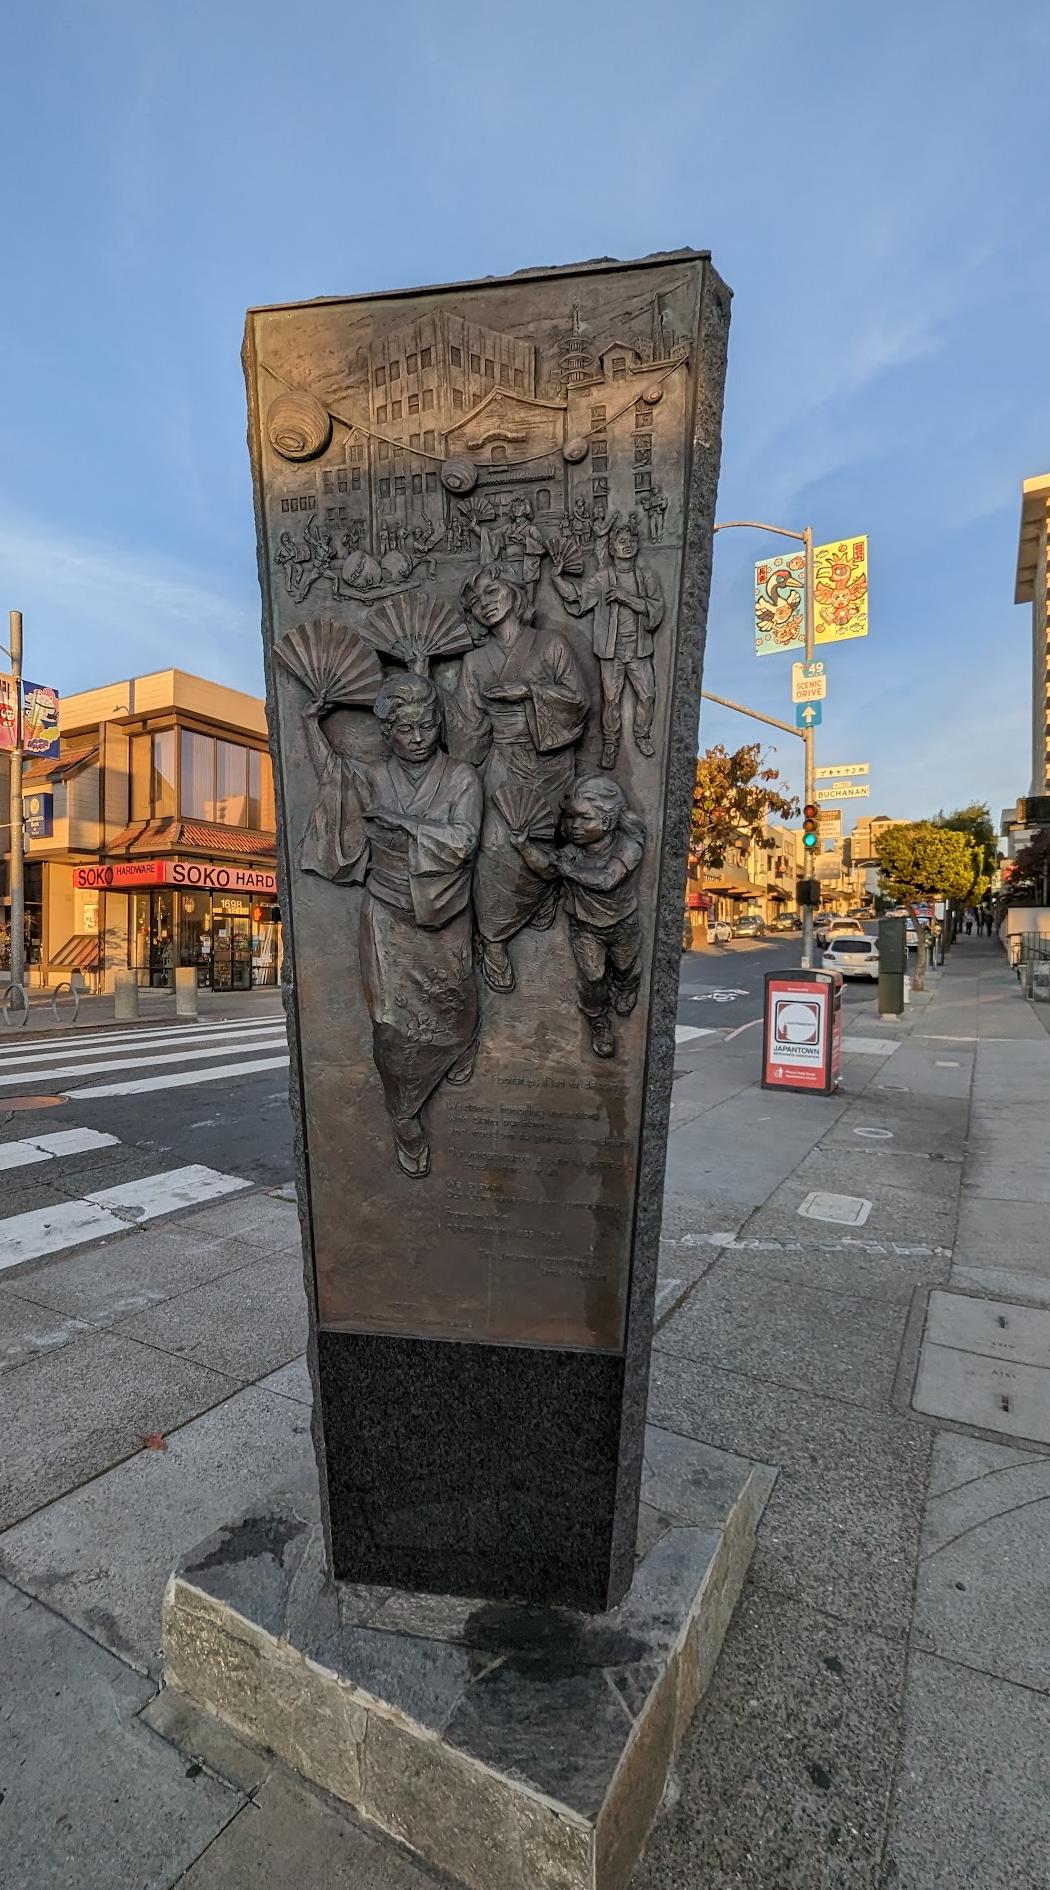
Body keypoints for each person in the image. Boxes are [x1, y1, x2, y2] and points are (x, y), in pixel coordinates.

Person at [299, 671, 482, 1180]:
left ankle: (458, 1046)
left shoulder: (462, 778)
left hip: (443, 907)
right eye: (406, 730)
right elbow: (333, 779)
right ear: (389, 733)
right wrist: (311, 726)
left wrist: (403, 825)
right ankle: (404, 1116)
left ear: (438, 724)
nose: (418, 738)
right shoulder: (377, 779)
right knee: (390, 1020)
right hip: (384, 907)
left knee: (455, 1000)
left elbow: (464, 840)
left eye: (426, 726)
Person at [447, 566, 590, 993]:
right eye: (476, 600)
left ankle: (542, 895)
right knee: (493, 848)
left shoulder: (551, 646)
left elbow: (579, 703)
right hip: (504, 763)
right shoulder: (475, 662)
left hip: (550, 762)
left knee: (546, 842)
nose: (486, 602)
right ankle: (493, 939)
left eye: (493, 590)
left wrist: (529, 692)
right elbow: (470, 733)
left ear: (514, 591)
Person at [509, 775, 645, 1058]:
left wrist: (568, 870)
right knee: (592, 978)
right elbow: (548, 869)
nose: (574, 826)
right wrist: (525, 848)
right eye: (570, 818)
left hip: (622, 924)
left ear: (607, 821)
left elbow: (608, 879)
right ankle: (599, 1022)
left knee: (625, 966)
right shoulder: (572, 851)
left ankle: (625, 987)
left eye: (584, 818)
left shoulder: (628, 846)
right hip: (585, 928)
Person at [551, 512, 664, 768]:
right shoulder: (602, 579)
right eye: (620, 541)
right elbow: (577, 598)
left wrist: (627, 598)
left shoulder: (647, 578)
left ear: (636, 546)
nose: (626, 545)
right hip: (611, 651)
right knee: (611, 699)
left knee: (647, 695)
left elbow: (656, 608)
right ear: (611, 548)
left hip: (639, 649)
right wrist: (557, 578)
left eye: (630, 541)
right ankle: (611, 744)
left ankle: (642, 735)